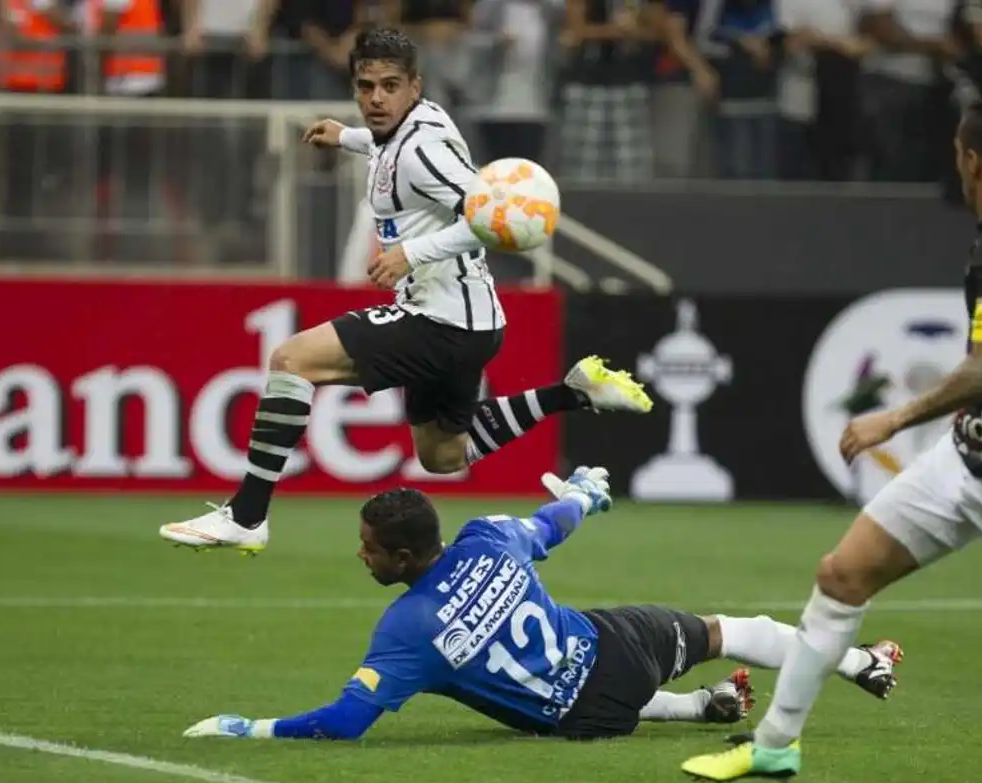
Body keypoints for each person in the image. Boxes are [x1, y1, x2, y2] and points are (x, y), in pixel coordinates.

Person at [681, 97, 982, 783]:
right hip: (969, 459)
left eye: (958, 152)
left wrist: (891, 419)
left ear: (973, 160)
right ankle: (774, 744)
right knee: (842, 576)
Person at [158, 28, 651, 554]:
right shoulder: (410, 125)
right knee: (442, 456)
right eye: (365, 85)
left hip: (442, 319)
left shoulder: (423, 148)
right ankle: (572, 393)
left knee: (292, 359)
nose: (376, 98)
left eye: (390, 85)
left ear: (414, 86)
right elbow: (385, 146)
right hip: (472, 324)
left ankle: (247, 515)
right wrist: (345, 136)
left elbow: (489, 216)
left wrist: (411, 254)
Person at [181, 467, 903, 742]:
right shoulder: (487, 537)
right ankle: (861, 661)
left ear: (404, 558)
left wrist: (252, 727)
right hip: (622, 649)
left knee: (549, 688)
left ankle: (692, 707)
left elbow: (343, 722)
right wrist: (585, 492)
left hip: (584, 720)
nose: (361, 554)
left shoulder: (406, 628)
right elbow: (551, 523)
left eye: (369, 546)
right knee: (733, 629)